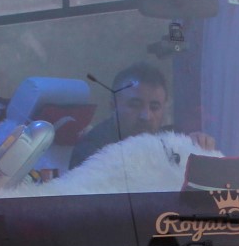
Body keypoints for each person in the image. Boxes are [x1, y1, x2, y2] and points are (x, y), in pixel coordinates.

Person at [69, 62, 214, 167]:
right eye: (135, 105)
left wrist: (200, 147)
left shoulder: (173, 139)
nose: (146, 116)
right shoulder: (91, 154)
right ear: (113, 107)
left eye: (155, 107)